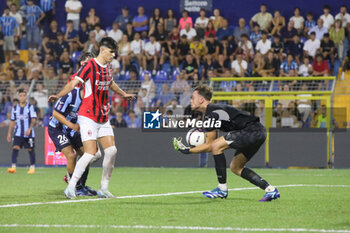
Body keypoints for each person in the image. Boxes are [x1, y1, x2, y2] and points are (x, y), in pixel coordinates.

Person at [48, 37, 135, 199]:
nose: (113, 55)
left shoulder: (108, 67)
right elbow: (73, 84)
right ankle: (71, 187)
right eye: (111, 52)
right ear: (102, 50)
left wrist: (124, 94)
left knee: (111, 151)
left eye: (115, 52)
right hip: (87, 116)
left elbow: (110, 83)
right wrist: (58, 95)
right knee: (90, 153)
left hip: (103, 116)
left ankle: (103, 188)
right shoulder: (89, 65)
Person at [173, 84, 280, 202]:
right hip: (258, 132)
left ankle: (222, 189)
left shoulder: (212, 112)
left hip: (251, 130)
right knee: (236, 167)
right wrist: (190, 150)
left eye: (193, 97)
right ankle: (270, 190)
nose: (190, 100)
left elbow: (211, 145)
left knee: (216, 146)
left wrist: (188, 150)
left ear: (201, 99)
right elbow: (210, 143)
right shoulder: (211, 112)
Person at [7, 89, 37, 174]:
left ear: (26, 97)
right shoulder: (15, 108)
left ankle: (32, 167)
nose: (22, 97)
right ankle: (13, 167)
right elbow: (12, 121)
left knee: (30, 149)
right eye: (20, 95)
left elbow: (34, 120)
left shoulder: (30, 107)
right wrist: (9, 133)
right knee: (15, 147)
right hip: (18, 133)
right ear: (18, 97)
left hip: (29, 133)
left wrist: (30, 129)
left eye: (24, 95)